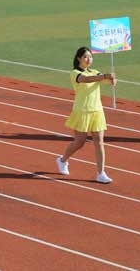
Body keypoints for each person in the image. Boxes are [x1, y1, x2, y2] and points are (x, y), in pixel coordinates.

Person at [55, 47, 115, 184]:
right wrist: (104, 76)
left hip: (97, 111)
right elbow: (86, 79)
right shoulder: (75, 73)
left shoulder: (95, 72)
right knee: (80, 141)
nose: (89, 59)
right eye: (86, 57)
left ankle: (101, 173)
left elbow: (108, 82)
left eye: (90, 57)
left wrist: (112, 78)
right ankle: (62, 160)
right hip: (82, 111)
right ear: (79, 59)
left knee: (99, 142)